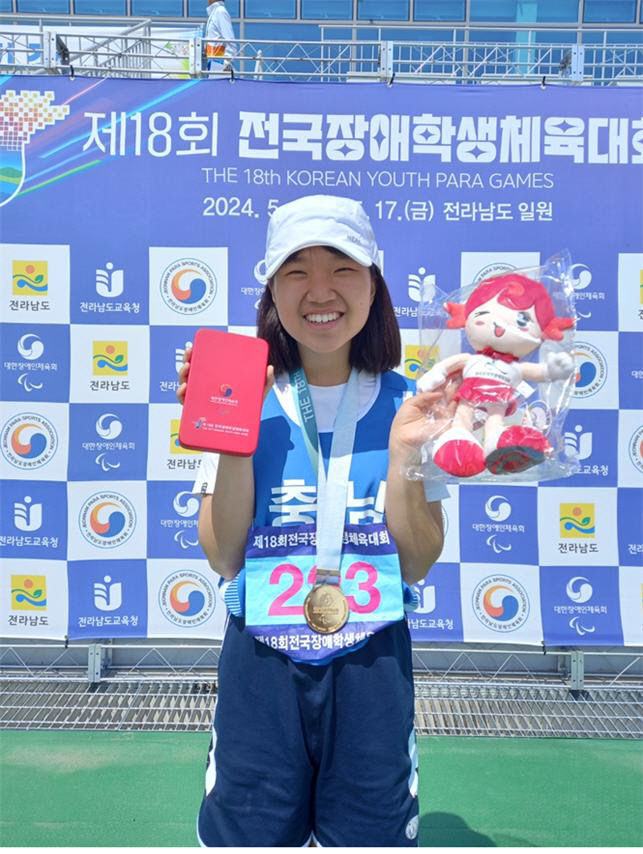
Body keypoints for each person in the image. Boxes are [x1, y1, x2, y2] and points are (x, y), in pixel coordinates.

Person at [177, 194, 448, 847]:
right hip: (261, 654)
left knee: (369, 834)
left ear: (373, 284)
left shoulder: (413, 402)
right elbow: (221, 556)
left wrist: (404, 454)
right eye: (296, 269)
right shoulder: (235, 390)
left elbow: (417, 559)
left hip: (370, 656)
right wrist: (228, 437)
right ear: (272, 287)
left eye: (342, 268)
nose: (319, 290)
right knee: (250, 833)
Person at [204, 0, 237, 72]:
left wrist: (226, 64)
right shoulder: (214, 12)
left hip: (219, 64)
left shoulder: (220, 12)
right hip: (212, 62)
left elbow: (230, 39)